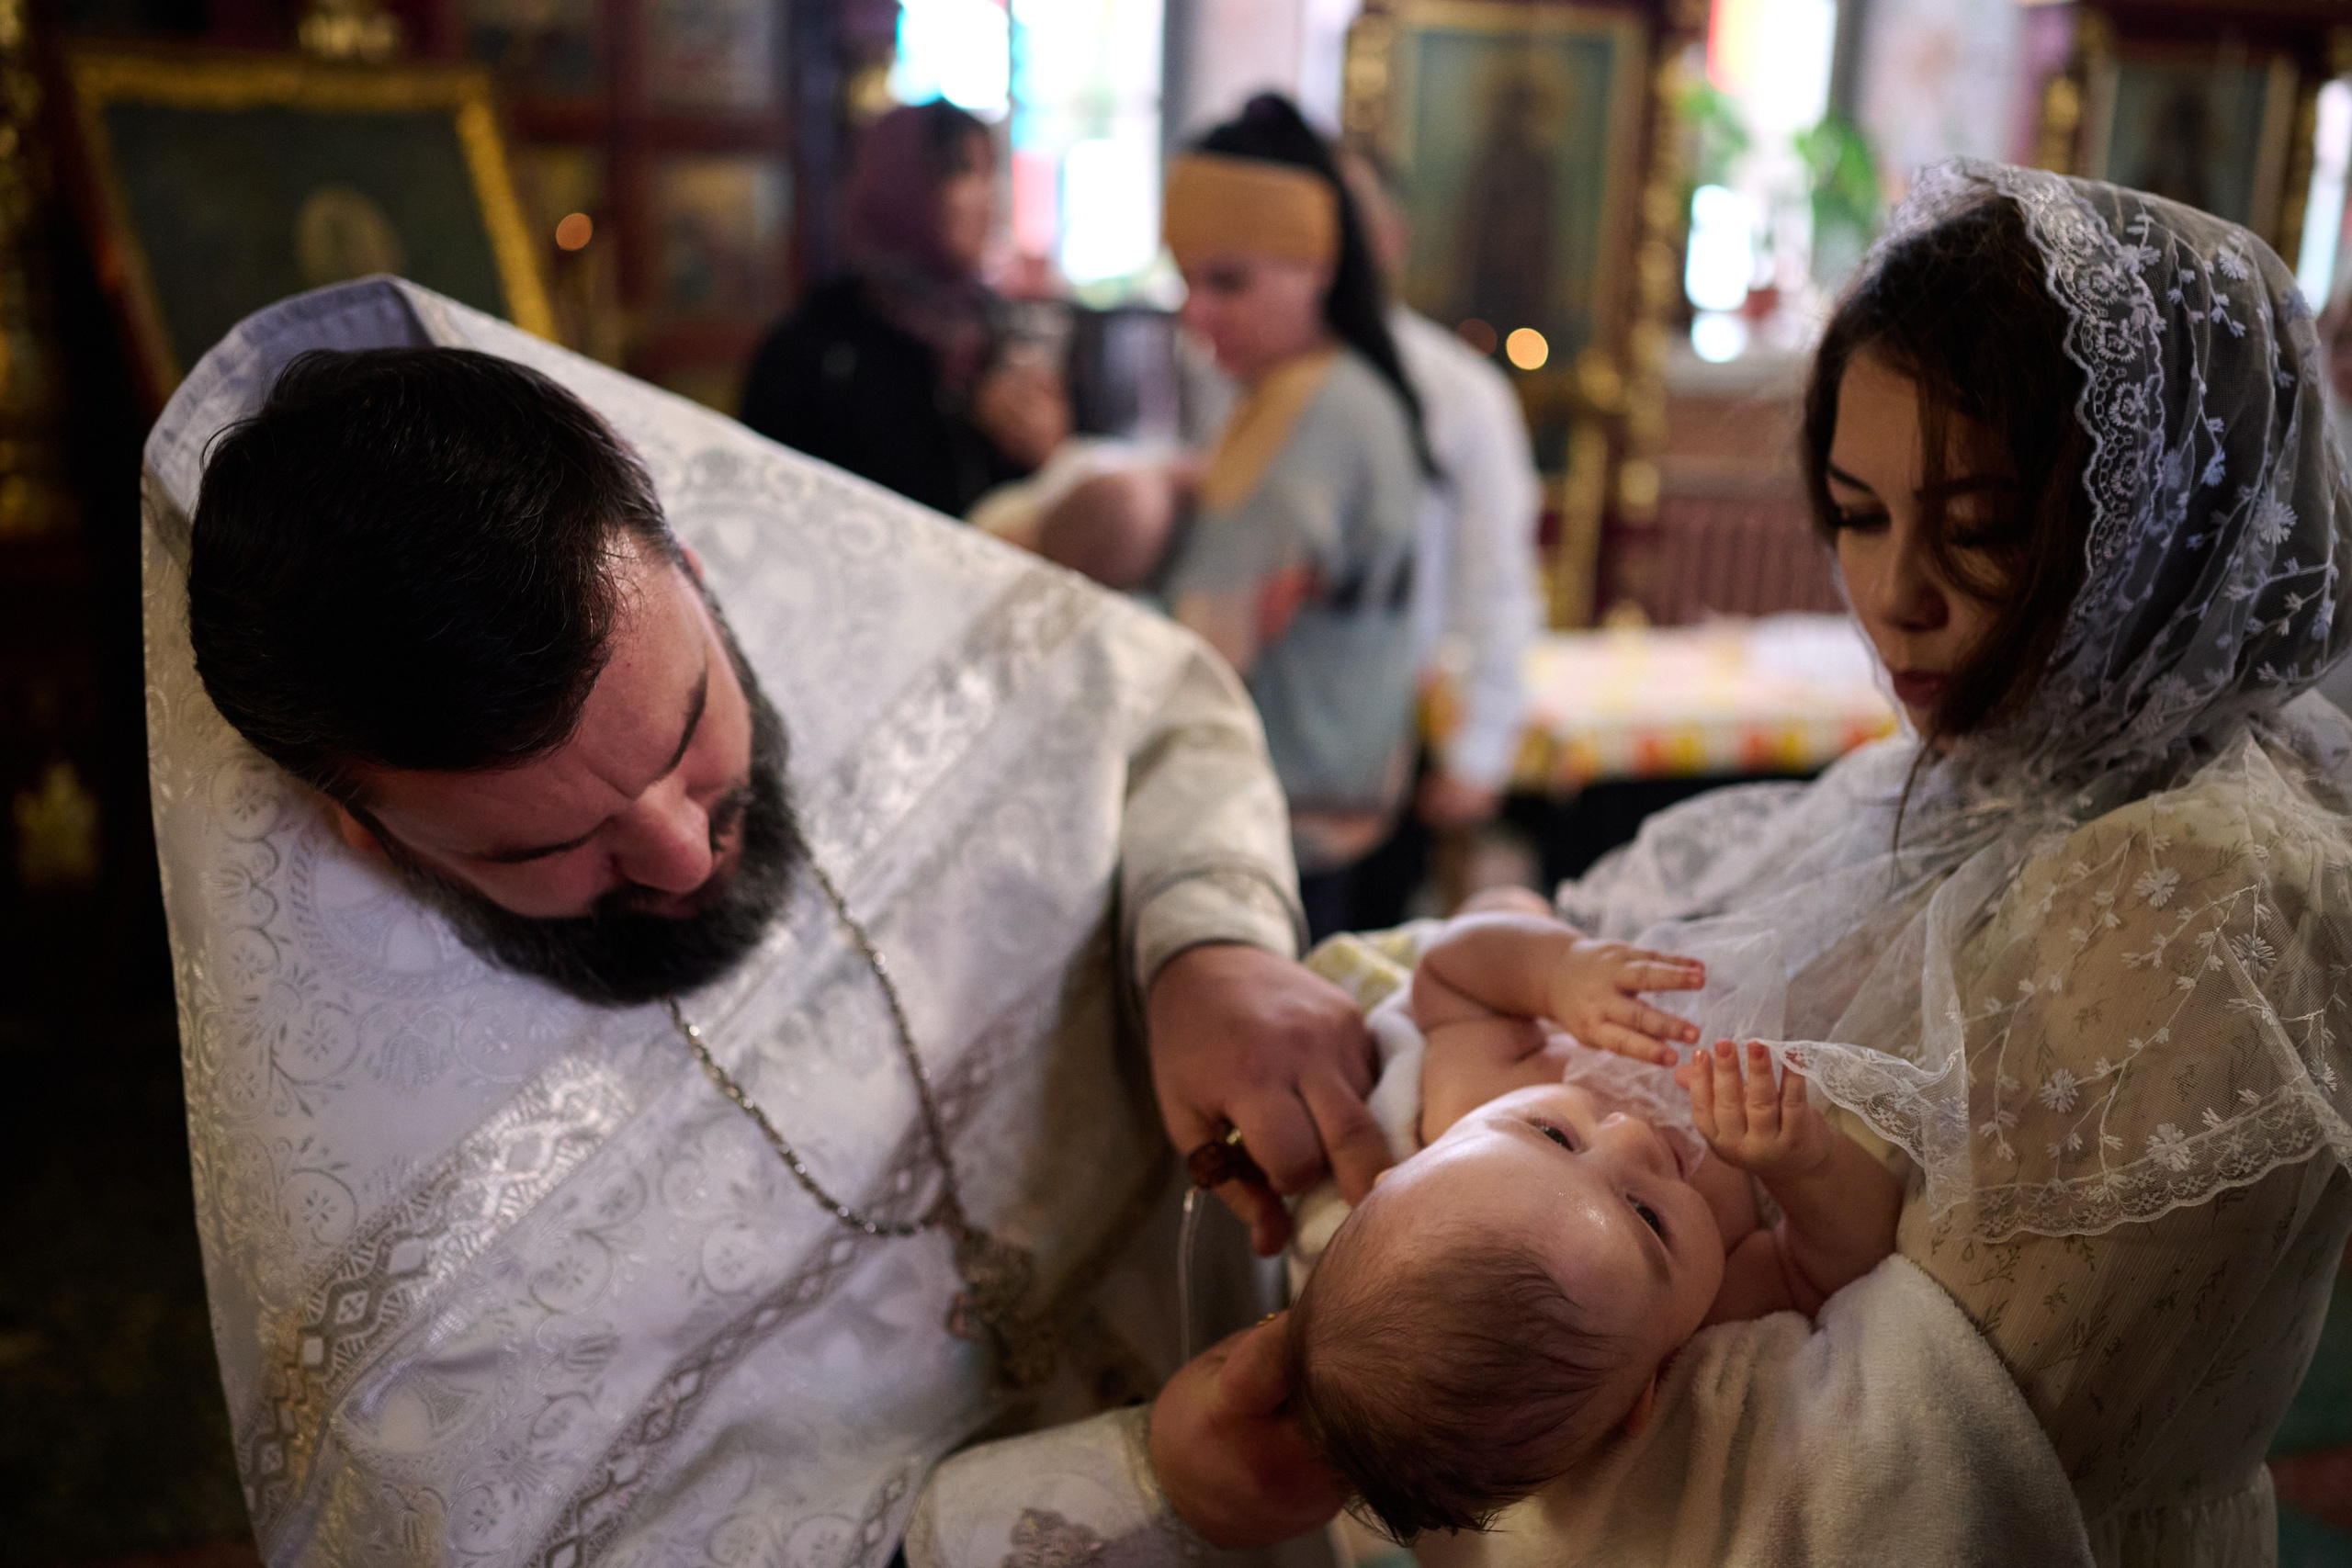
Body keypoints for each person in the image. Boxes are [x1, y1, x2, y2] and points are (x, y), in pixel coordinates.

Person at [917, 162, 2352, 1568]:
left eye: (1978, 530)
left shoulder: (2207, 897)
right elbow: (1474, 1014)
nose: (1893, 598)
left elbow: (1872, 1439)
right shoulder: (1965, 769)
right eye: (1855, 513)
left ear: (2168, 528)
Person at [142, 277, 1378, 1565]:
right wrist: (1130, 1485)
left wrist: (1207, 951)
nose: (684, 853)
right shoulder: (393, 1266)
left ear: (692, 574)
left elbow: (1153, 711)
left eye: (686, 732)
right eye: (551, 844)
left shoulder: (853, 619)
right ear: (367, 831)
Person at [1284, 908, 1902, 1540]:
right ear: (1647, 1386)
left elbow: (1448, 977)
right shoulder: (1712, 1294)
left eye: (1554, 1135)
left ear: (1405, 1167)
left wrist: (1556, 973)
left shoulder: (1465, 1091)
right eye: (1647, 1217)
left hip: (1670, 943)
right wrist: (1805, 1164)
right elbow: (1844, 1258)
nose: (1633, 1135)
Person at [1157, 95, 1433, 942]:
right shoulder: (1320, 389)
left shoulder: (1319, 413)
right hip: (1316, 829)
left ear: (1315, 263)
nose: (1197, 313)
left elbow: (1205, 646)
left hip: (1282, 841)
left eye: (1228, 282)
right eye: (1187, 280)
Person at [1337, 147, 1544, 923]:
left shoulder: (1459, 391)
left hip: (1391, 718)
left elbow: (1498, 577)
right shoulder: (1242, 374)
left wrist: (1479, 747)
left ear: (1392, 237)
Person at [740, 99, 1068, 517]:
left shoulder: (1002, 331)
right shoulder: (815, 347)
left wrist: (1050, 450)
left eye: (989, 174)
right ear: (899, 184)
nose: (988, 199)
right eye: (961, 172)